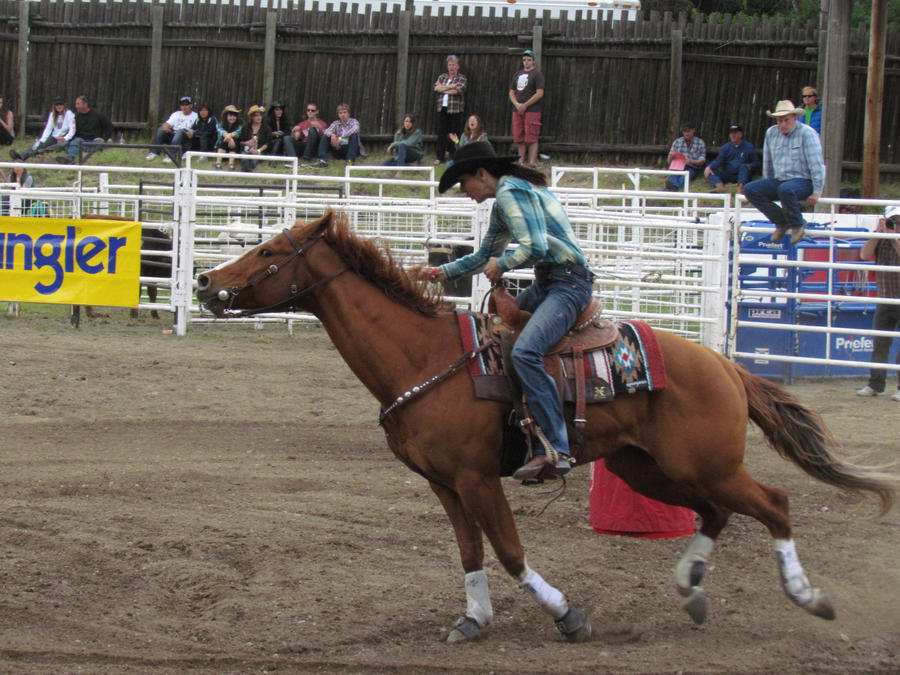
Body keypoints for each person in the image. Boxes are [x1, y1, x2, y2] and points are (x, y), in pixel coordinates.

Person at [430, 141, 594, 479]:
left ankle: (555, 447)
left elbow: (534, 246)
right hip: (552, 282)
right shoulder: (507, 198)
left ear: (481, 173)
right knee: (495, 335)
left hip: (567, 284)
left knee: (525, 352)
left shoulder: (510, 193)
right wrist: (437, 273)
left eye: (464, 184)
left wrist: (502, 265)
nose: (464, 192)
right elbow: (481, 256)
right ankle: (517, 426)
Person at [742, 100, 825, 245]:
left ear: (794, 118)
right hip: (781, 180)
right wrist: (766, 183)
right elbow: (767, 162)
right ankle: (781, 221)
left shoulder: (807, 134)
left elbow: (816, 164)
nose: (783, 124)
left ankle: (797, 224)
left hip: (804, 181)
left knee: (785, 189)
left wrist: (817, 190)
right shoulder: (771, 133)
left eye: (786, 120)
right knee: (750, 189)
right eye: (780, 120)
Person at [855, 205, 900, 402]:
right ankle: (875, 384)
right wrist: (878, 234)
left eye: (898, 221)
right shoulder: (880, 238)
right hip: (884, 298)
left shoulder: (894, 239)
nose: (895, 225)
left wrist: (894, 238)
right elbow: (864, 255)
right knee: (879, 344)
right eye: (892, 221)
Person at [509, 49, 545, 168]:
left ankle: (532, 162)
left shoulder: (537, 74)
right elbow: (511, 92)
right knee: (519, 136)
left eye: (529, 60)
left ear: (533, 61)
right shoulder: (517, 74)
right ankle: (520, 161)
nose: (526, 62)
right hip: (518, 109)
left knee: (532, 135)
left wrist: (525, 105)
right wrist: (517, 104)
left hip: (532, 109)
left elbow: (539, 93)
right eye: (524, 60)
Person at [11, 96, 75, 162]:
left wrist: (65, 138)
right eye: (57, 105)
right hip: (54, 137)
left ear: (64, 105)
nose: (59, 106)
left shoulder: (69, 114)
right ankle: (20, 155)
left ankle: (26, 155)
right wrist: (42, 140)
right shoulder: (52, 115)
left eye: (60, 104)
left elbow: (72, 130)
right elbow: (48, 129)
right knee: (39, 146)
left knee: (47, 149)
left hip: (63, 138)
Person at [703, 123, 759, 194]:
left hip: (742, 175)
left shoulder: (749, 147)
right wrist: (709, 167)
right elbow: (718, 160)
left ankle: (740, 189)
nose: (733, 135)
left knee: (743, 167)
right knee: (711, 170)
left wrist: (749, 166)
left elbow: (756, 162)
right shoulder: (726, 147)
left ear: (740, 135)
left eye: (735, 133)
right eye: (731, 133)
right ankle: (720, 186)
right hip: (728, 174)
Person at [433, 54, 467, 165]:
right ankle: (440, 157)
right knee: (441, 133)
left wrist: (443, 88)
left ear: (457, 66)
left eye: (453, 65)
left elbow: (458, 91)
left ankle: (453, 156)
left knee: (454, 133)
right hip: (442, 108)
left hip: (455, 109)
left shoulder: (461, 78)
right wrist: (451, 86)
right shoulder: (442, 77)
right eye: (449, 65)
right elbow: (436, 88)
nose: (451, 67)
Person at [62, 95, 114, 164]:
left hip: (94, 141)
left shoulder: (97, 115)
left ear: (85, 104)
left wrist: (104, 138)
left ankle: (85, 149)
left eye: (78, 104)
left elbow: (109, 126)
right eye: (76, 104)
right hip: (81, 140)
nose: (76, 106)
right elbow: (72, 130)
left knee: (99, 143)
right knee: (75, 142)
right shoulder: (76, 117)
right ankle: (70, 158)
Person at [146, 95, 198, 161]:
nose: (184, 107)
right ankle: (154, 152)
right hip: (174, 135)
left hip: (186, 136)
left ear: (191, 106)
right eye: (182, 105)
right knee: (161, 129)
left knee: (180, 132)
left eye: (186, 105)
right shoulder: (176, 114)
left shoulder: (195, 116)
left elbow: (197, 129)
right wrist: (165, 126)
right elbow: (168, 123)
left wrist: (192, 132)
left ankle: (171, 155)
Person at [317, 103, 362, 168]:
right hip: (338, 148)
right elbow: (326, 131)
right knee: (325, 137)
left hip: (350, 148)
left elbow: (355, 129)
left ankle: (350, 161)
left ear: (348, 113)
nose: (343, 115)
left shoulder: (354, 122)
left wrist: (340, 138)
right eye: (340, 113)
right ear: (338, 115)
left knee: (354, 136)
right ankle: (322, 160)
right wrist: (333, 135)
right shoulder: (336, 123)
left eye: (344, 112)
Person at [665, 122, 706, 190]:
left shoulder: (700, 142)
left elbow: (702, 161)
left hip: (691, 167)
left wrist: (691, 161)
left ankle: (672, 188)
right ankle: (674, 188)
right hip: (677, 166)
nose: (686, 133)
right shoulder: (677, 141)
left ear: (693, 130)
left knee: (685, 178)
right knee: (672, 175)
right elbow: (669, 162)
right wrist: (671, 156)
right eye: (684, 131)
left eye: (688, 131)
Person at [237, 105, 272, 172]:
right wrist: (246, 143)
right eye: (256, 115)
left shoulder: (266, 128)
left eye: (260, 115)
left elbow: (268, 143)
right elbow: (239, 141)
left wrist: (258, 151)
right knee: (244, 159)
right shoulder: (246, 127)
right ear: (252, 117)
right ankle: (245, 169)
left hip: (259, 150)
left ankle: (249, 169)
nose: (259, 117)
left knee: (254, 161)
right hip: (246, 149)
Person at [215, 104, 242, 169]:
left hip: (234, 148)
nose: (232, 118)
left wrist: (230, 137)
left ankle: (231, 164)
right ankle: (218, 163)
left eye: (234, 116)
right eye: (230, 115)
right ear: (226, 116)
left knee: (234, 140)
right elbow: (222, 132)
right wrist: (230, 139)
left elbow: (237, 133)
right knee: (223, 139)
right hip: (221, 147)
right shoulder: (219, 125)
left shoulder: (239, 125)